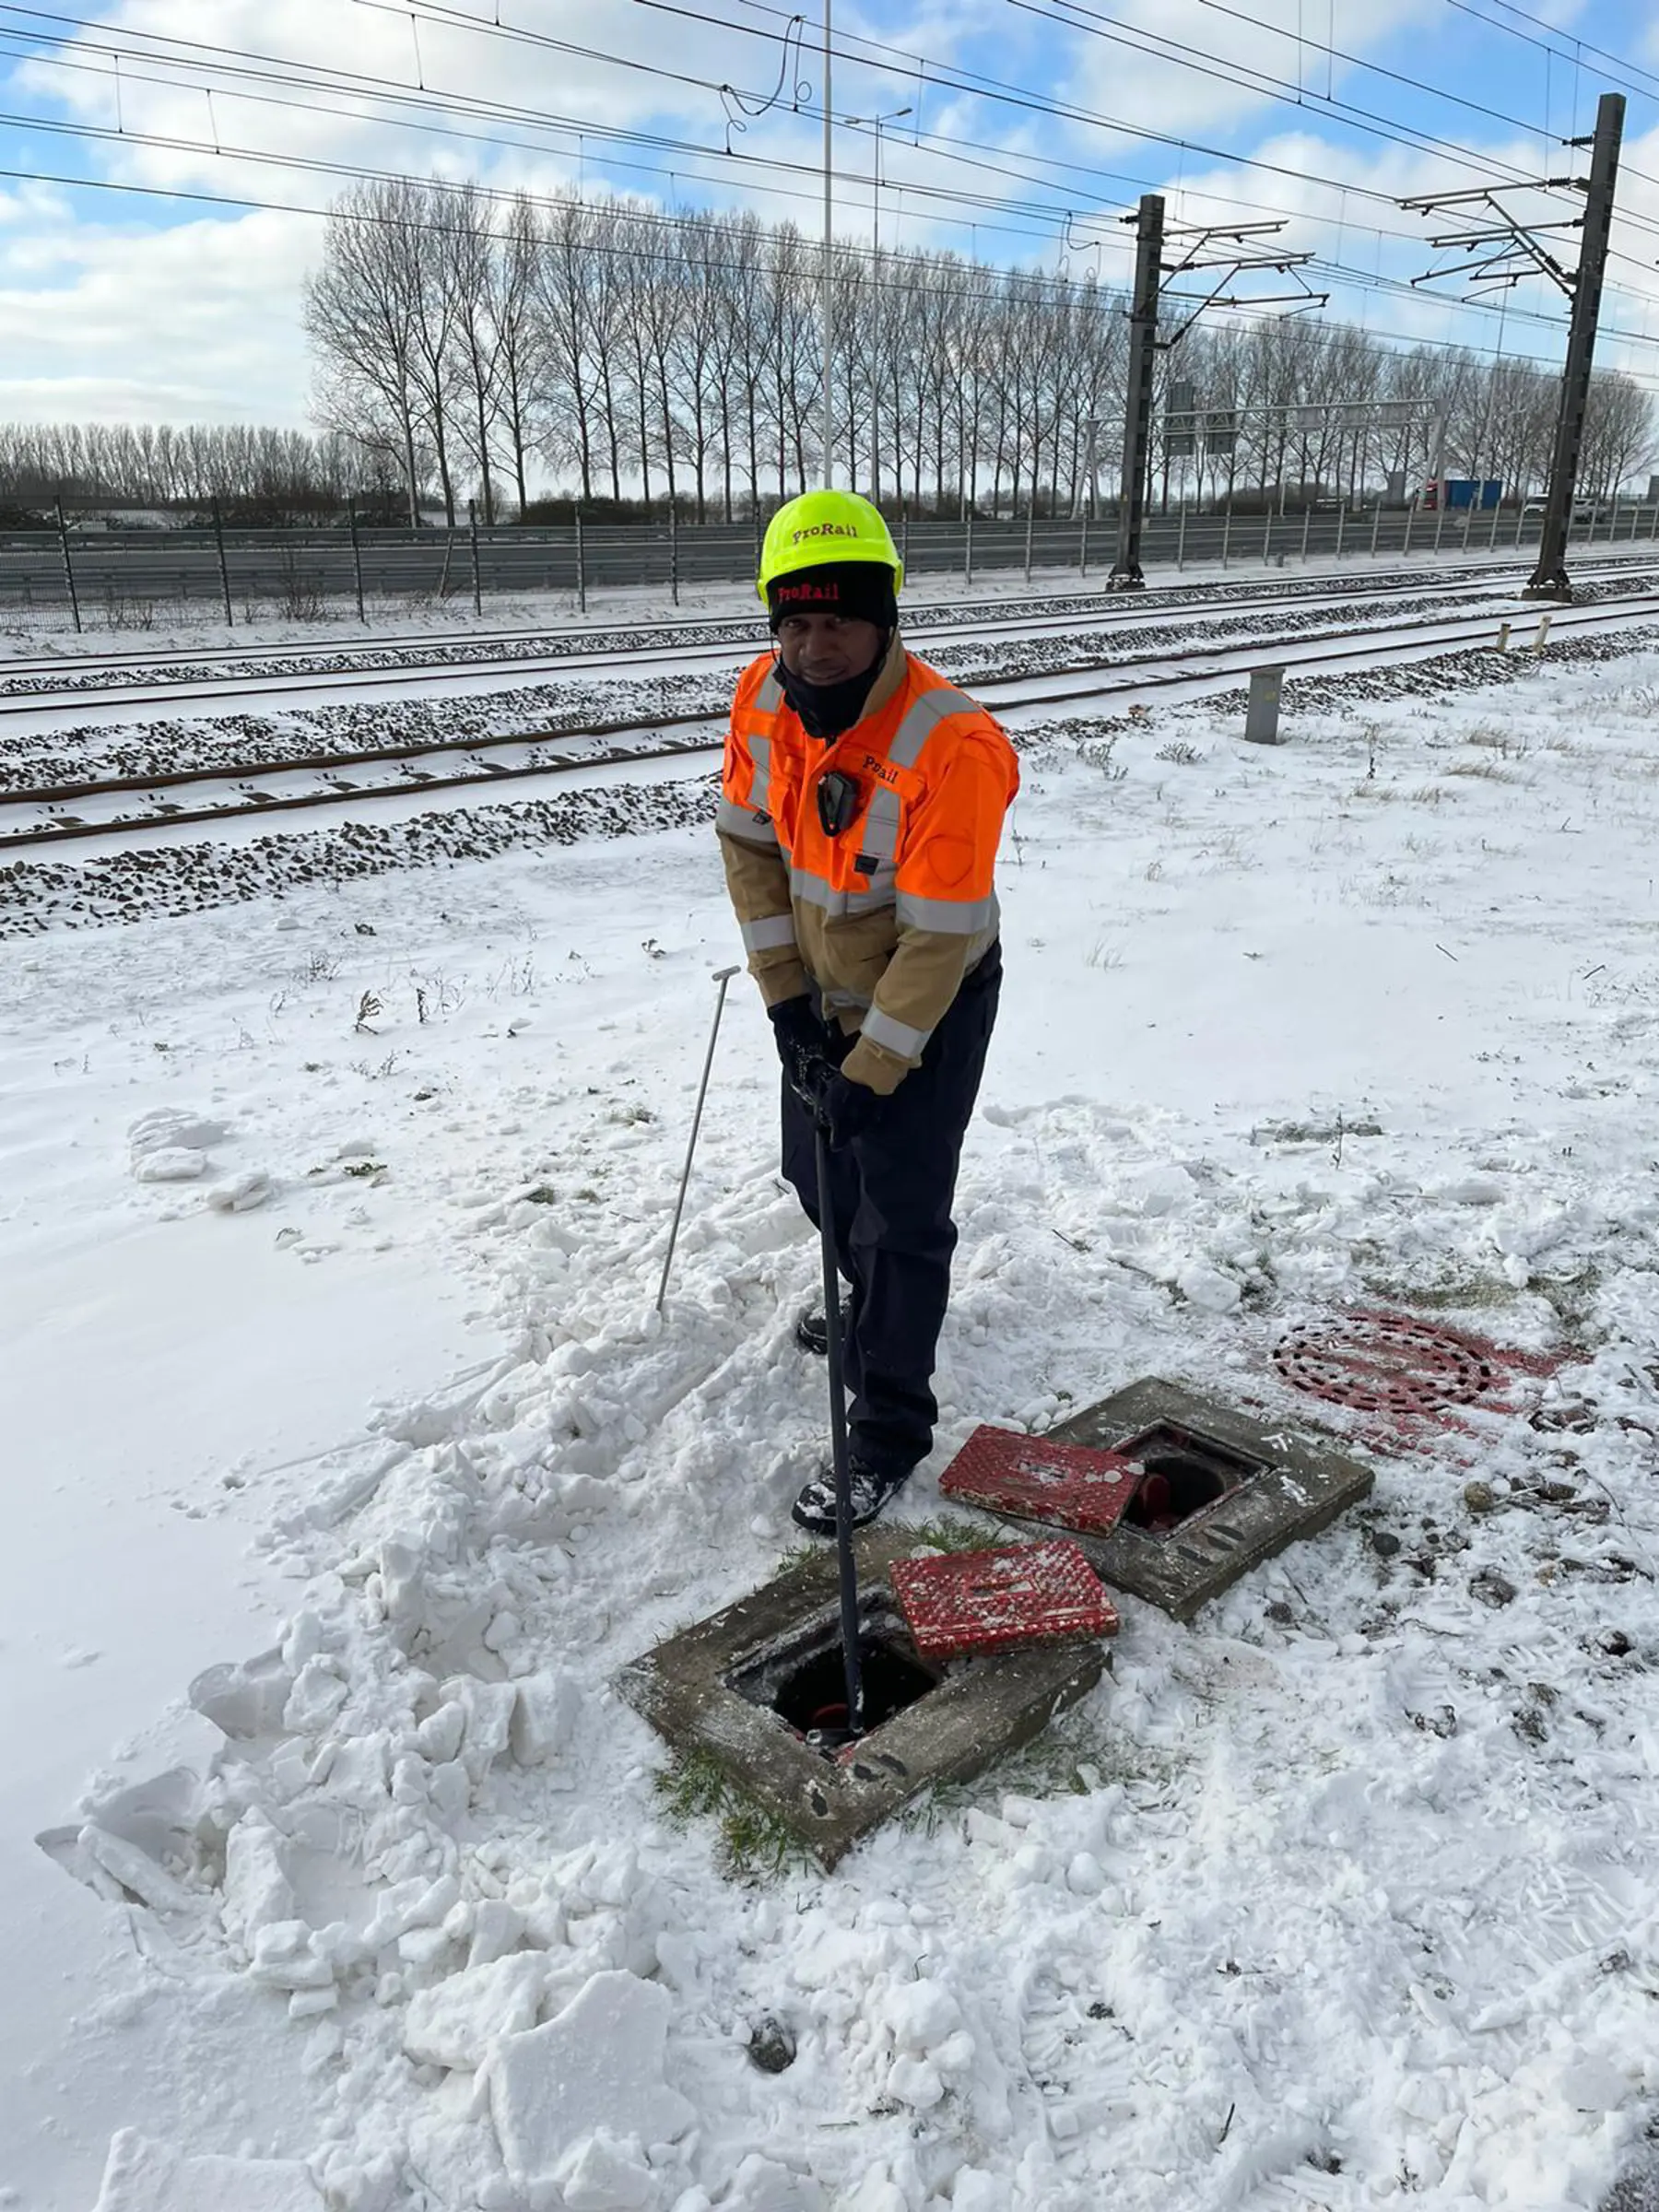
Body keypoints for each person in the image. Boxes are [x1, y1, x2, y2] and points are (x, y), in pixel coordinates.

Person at [717, 490, 1020, 1534]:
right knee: (817, 1173)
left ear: (885, 615)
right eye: (794, 622)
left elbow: (938, 939)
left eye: (839, 618)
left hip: (924, 1012)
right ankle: (864, 1295)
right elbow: (751, 852)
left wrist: (870, 1070)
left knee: (901, 1214)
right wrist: (788, 1013)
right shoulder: (761, 697)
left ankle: (887, 1427)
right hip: (824, 998)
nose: (815, 644)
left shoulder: (952, 746)